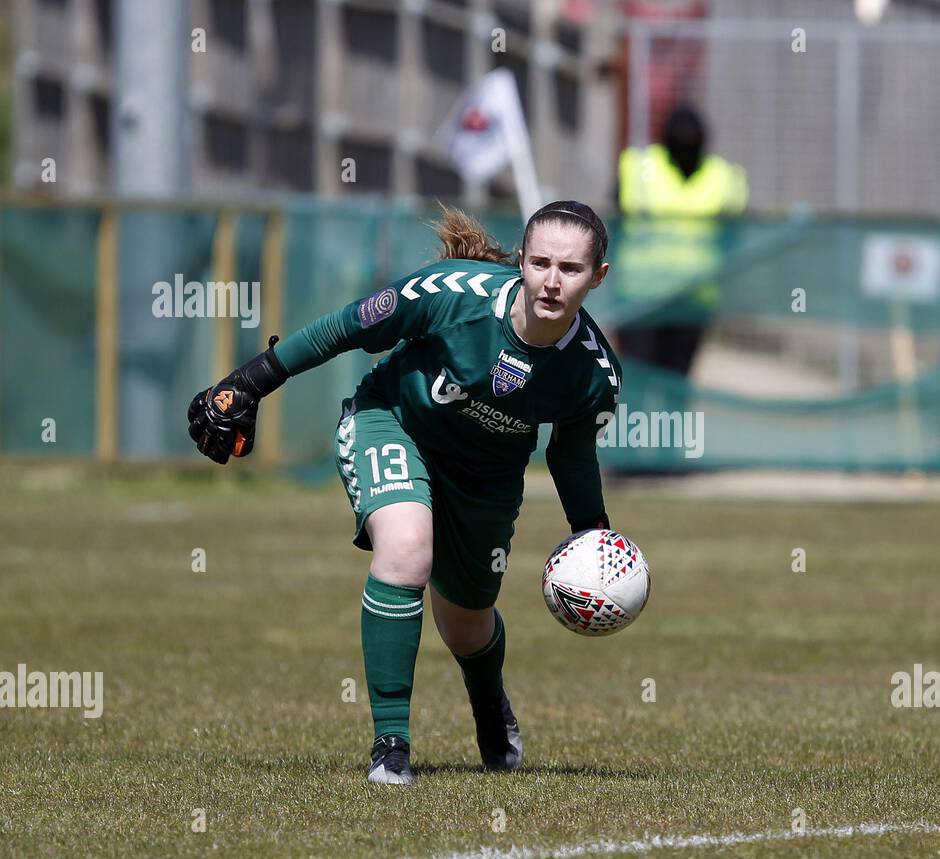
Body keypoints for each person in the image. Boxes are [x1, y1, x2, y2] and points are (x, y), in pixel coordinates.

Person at [186, 201, 622, 784]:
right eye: (539, 262)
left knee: (467, 626)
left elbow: (571, 453)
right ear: (519, 261)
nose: (550, 280)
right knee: (408, 549)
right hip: (390, 422)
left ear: (598, 276)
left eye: (569, 269)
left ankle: (489, 703)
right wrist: (251, 381)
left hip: (487, 477)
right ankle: (391, 747)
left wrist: (594, 539)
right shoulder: (451, 294)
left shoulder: (595, 372)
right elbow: (347, 326)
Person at [615, 104, 747, 376]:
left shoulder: (723, 176)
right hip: (640, 297)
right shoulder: (639, 168)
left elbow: (734, 236)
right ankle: (641, 422)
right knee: (638, 380)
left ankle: (672, 422)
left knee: (676, 383)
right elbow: (611, 226)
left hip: (693, 299)